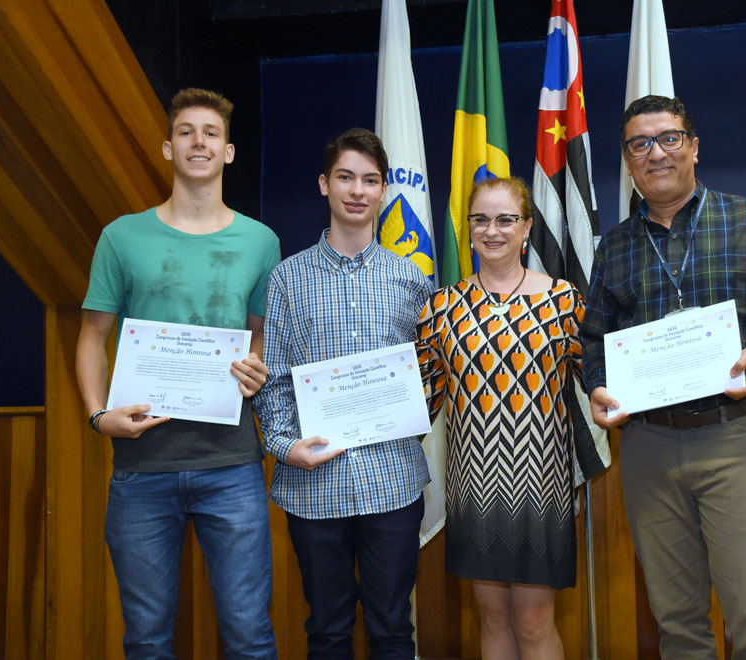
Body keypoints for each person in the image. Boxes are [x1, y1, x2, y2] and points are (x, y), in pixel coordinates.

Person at [582, 95, 746, 659]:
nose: (656, 153)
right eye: (639, 144)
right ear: (627, 161)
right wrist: (597, 385)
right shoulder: (614, 248)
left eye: (669, 138)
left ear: (694, 146)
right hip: (647, 445)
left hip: (735, 437)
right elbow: (593, 341)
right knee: (678, 625)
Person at [76, 88, 280, 659]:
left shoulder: (261, 241)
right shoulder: (122, 236)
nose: (198, 142)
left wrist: (255, 369)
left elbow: (258, 335)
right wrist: (98, 416)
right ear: (168, 147)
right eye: (186, 132)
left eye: (210, 133)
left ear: (229, 151)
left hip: (232, 466)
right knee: (146, 640)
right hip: (143, 469)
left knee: (250, 637)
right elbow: (91, 337)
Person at [255, 127, 431, 659]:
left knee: (393, 631)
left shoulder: (413, 280)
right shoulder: (287, 279)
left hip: (393, 484)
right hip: (314, 488)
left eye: (370, 180)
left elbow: (427, 377)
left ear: (383, 191)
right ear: (324, 185)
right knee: (327, 632)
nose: (358, 191)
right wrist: (286, 448)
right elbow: (274, 377)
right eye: (346, 178)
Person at [416, 177, 584, 659]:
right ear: (468, 229)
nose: (493, 230)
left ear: (527, 227)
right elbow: (418, 400)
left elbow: (600, 379)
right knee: (491, 618)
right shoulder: (440, 309)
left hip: (542, 490)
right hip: (474, 489)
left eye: (506, 219)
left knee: (533, 623)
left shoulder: (564, 302)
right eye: (481, 220)